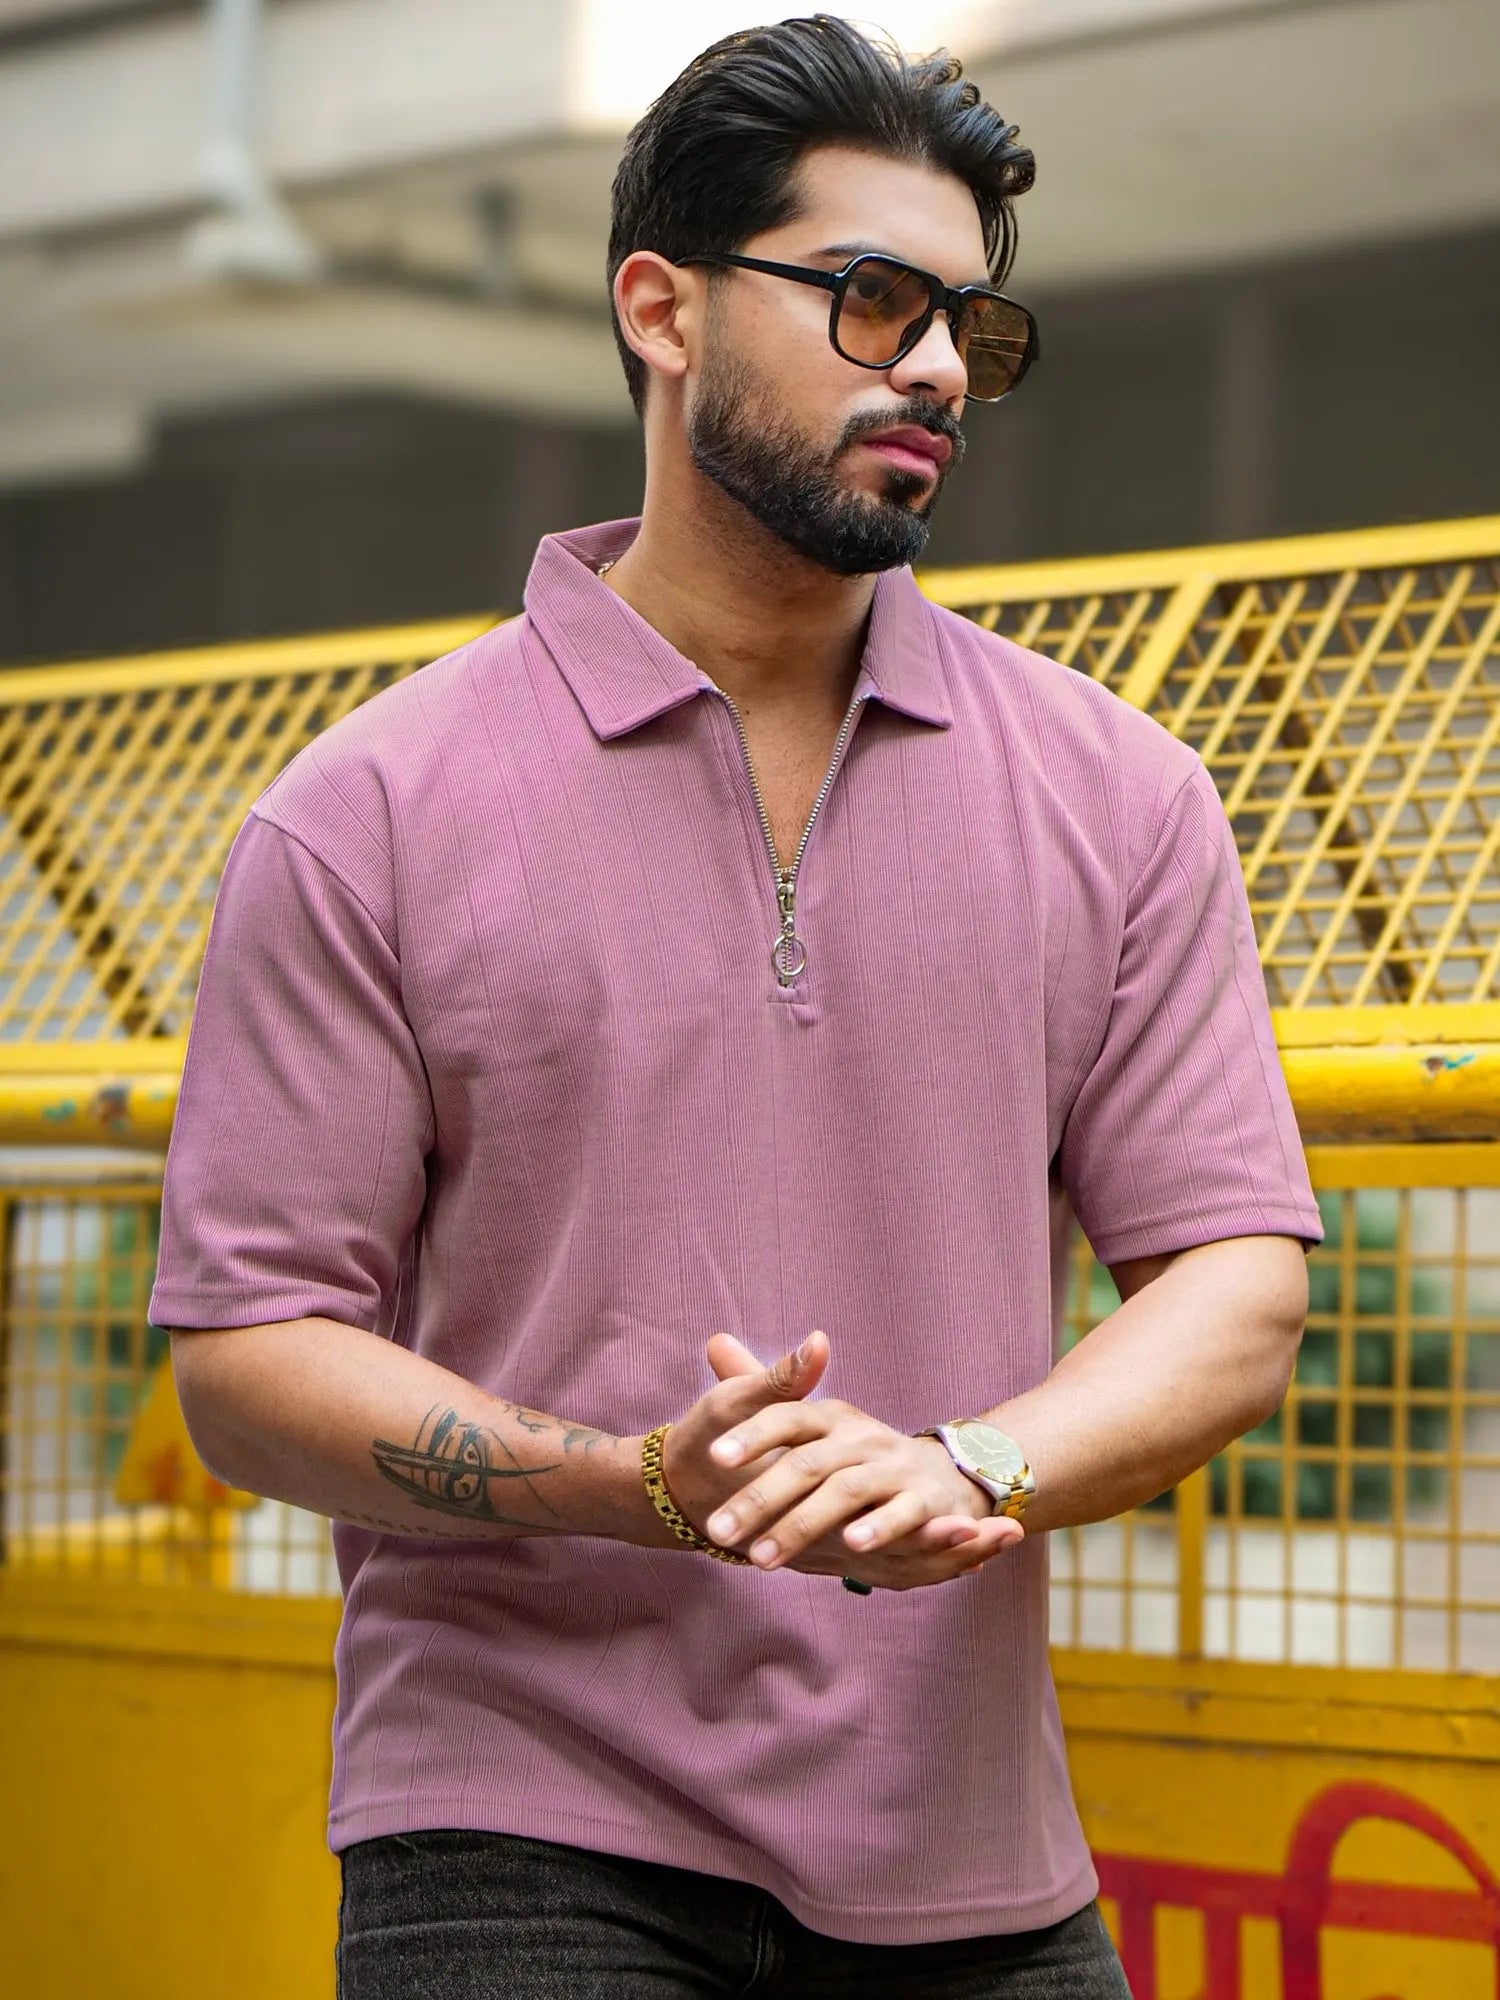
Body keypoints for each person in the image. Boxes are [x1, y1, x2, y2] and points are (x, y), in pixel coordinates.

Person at [153, 14, 1322, 1997]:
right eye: (871, 300)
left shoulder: (1121, 792)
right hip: (516, 1820)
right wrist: (628, 1489)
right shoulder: (367, 812)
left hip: (969, 1849)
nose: (936, 365)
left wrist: (974, 1461)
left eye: (965, 324)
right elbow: (249, 1349)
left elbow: (1237, 1279)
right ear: (662, 309)